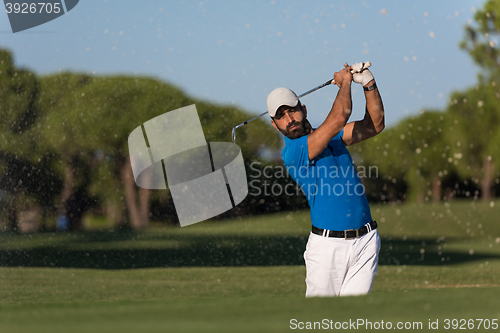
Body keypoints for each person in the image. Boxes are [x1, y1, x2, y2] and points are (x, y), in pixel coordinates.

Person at [267, 62, 385, 297]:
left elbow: (375, 125)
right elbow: (340, 115)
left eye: (292, 110)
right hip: (327, 248)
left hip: (366, 241)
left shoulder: (334, 137)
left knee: (353, 320)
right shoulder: (293, 152)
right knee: (321, 320)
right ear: (274, 124)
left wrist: (369, 84)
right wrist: (345, 82)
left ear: (304, 109)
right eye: (281, 116)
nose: (289, 119)